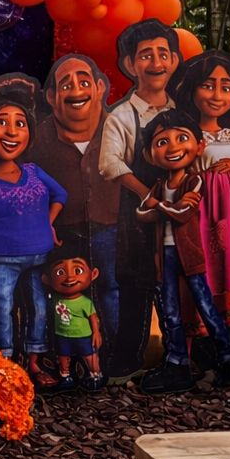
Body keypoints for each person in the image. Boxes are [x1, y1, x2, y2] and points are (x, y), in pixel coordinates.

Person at [0, 92, 67, 388]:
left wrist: (47, 223)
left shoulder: (33, 172)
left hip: (39, 256)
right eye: (1, 122)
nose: (11, 131)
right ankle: (4, 364)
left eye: (20, 123)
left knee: (39, 308)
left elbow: (61, 195)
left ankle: (33, 361)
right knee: (2, 310)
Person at [136, 110, 230, 393]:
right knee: (169, 308)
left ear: (199, 145)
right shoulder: (160, 185)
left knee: (205, 306)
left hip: (190, 254)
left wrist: (159, 207)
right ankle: (176, 363)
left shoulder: (193, 181)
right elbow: (140, 212)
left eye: (181, 138)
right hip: (165, 255)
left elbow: (183, 213)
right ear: (149, 155)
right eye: (162, 142)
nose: (172, 147)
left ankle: (228, 360)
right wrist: (160, 207)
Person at [97, 20, 180, 378]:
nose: (156, 62)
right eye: (146, 55)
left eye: (163, 54)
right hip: (138, 213)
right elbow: (109, 164)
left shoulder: (182, 111)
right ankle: (127, 360)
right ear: (130, 65)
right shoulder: (121, 115)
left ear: (175, 60)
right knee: (135, 283)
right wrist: (148, 194)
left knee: (180, 280)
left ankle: (180, 356)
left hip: (181, 212)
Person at [167, 50, 230, 329]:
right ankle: (207, 321)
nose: (217, 95)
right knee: (215, 254)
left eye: (225, 88)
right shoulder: (188, 136)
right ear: (192, 91)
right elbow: (179, 174)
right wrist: (203, 175)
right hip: (208, 208)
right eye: (208, 85)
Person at [27, 55, 121, 349]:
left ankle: (112, 353)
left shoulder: (122, 130)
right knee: (58, 295)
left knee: (110, 288)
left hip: (111, 227)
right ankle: (64, 355)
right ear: (52, 97)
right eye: (66, 85)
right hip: (61, 233)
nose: (77, 90)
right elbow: (25, 187)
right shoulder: (35, 139)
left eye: (84, 81)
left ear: (100, 87)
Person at [43, 245, 105, 393]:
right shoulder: (55, 299)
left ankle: (95, 375)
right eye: (60, 272)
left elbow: (93, 317)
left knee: (90, 356)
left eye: (78, 270)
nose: (70, 277)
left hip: (83, 335)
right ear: (47, 279)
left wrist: (96, 332)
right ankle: (65, 377)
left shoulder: (85, 302)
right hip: (62, 335)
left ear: (93, 274)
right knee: (63, 357)